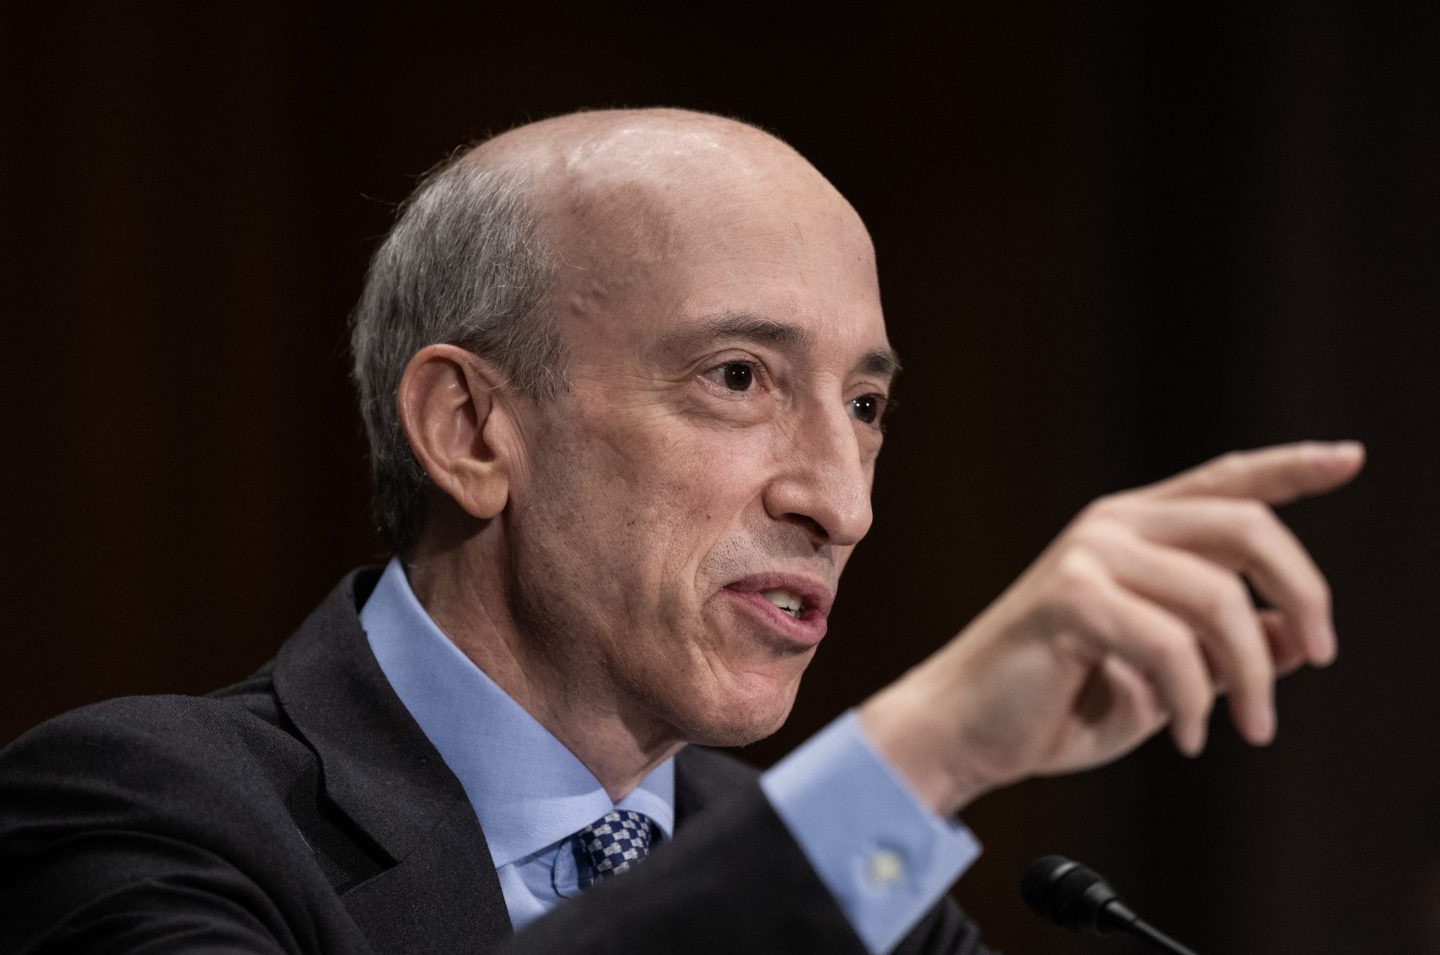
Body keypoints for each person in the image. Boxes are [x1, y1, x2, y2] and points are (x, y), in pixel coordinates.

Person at [0, 108, 1364, 954]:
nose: (843, 500)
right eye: (739, 380)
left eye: (869, 403)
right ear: (474, 430)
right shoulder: (143, 816)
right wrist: (933, 747)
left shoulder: (851, 890)